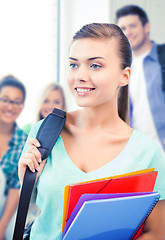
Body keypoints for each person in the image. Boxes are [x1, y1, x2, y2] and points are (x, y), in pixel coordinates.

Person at [18, 23, 165, 240]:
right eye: (74, 65)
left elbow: (157, 233)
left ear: (124, 76)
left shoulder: (147, 151)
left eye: (95, 66)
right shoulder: (44, 132)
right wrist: (27, 180)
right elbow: (41, 211)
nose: (80, 76)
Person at [115, 4, 165, 152]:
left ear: (146, 27)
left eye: (132, 26)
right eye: (123, 28)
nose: (128, 32)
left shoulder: (162, 58)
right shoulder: (120, 69)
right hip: (139, 152)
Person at [0, 75, 28, 240]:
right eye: (5, 99)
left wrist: (2, 226)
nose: (10, 107)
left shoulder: (23, 140)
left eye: (16, 102)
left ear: (22, 106)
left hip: (4, 203)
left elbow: (15, 187)